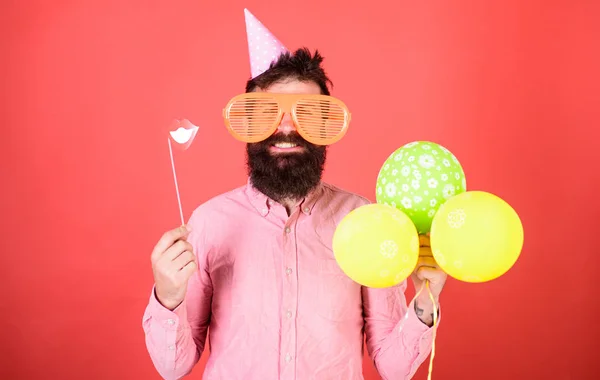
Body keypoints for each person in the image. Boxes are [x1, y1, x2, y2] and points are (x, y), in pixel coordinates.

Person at [143, 10, 447, 380]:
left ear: (324, 125)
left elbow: (393, 368)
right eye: (267, 113)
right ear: (249, 125)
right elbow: (172, 367)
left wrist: (425, 302)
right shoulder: (209, 222)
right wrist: (167, 296)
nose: (286, 128)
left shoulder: (365, 220)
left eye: (307, 114)